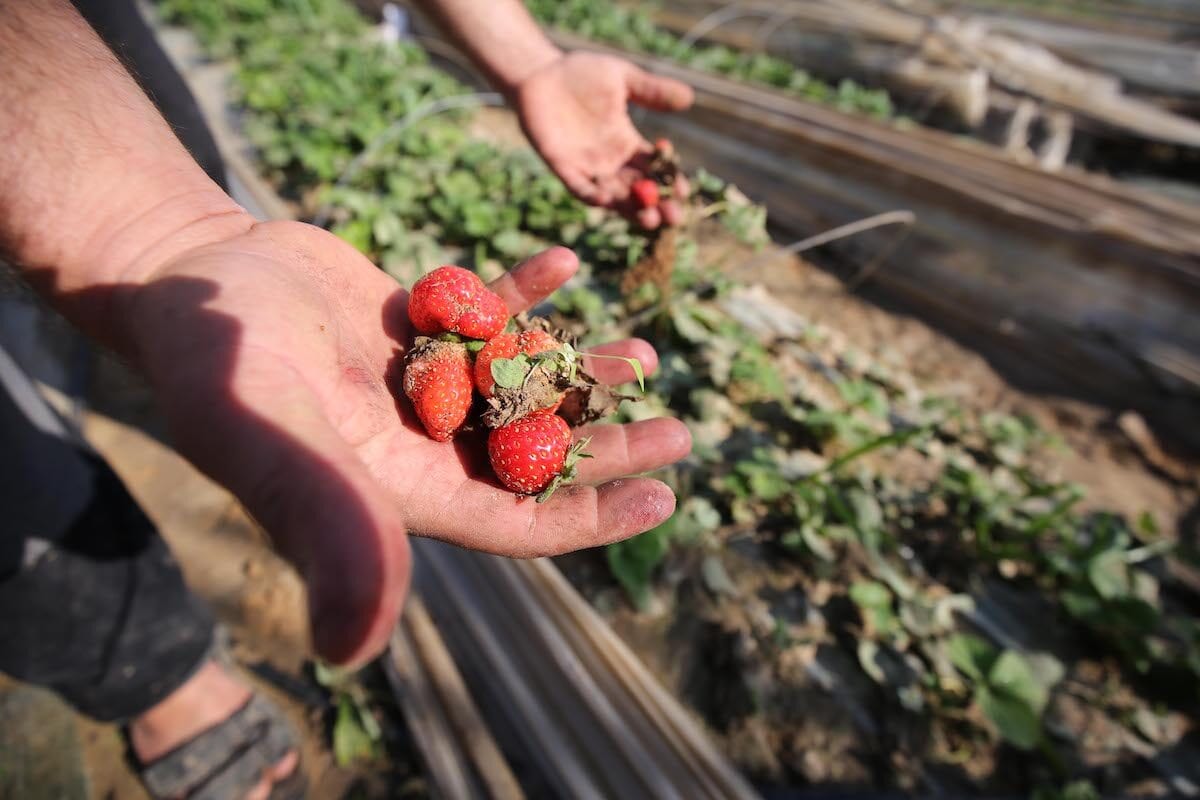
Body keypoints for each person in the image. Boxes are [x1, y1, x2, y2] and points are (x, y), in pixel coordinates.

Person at [0, 1, 694, 797]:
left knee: (177, 190)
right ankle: (151, 670)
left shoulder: (481, 362)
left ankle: (137, 306)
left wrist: (531, 62)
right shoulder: (467, 357)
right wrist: (162, 238)